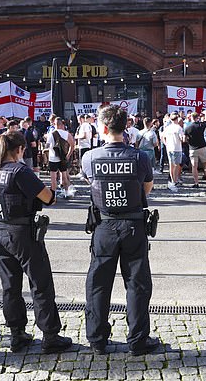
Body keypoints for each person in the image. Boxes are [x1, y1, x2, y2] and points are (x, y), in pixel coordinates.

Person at [0, 131, 72, 353]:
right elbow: (48, 198)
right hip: (21, 234)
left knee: (10, 286)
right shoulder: (19, 171)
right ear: (19, 150)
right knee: (40, 284)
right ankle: (50, 335)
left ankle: (16, 333)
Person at [80, 105, 160, 356]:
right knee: (137, 284)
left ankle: (97, 339)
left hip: (104, 225)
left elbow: (90, 183)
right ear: (125, 127)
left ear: (103, 128)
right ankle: (137, 340)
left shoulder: (90, 157)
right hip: (133, 224)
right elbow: (146, 187)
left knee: (98, 283)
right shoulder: (139, 157)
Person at [185, 112, 206, 188]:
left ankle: (196, 183)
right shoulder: (201, 125)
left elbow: (185, 139)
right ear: (197, 117)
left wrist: (190, 143)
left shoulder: (187, 128)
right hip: (202, 147)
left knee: (194, 166)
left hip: (192, 148)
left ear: (191, 118)